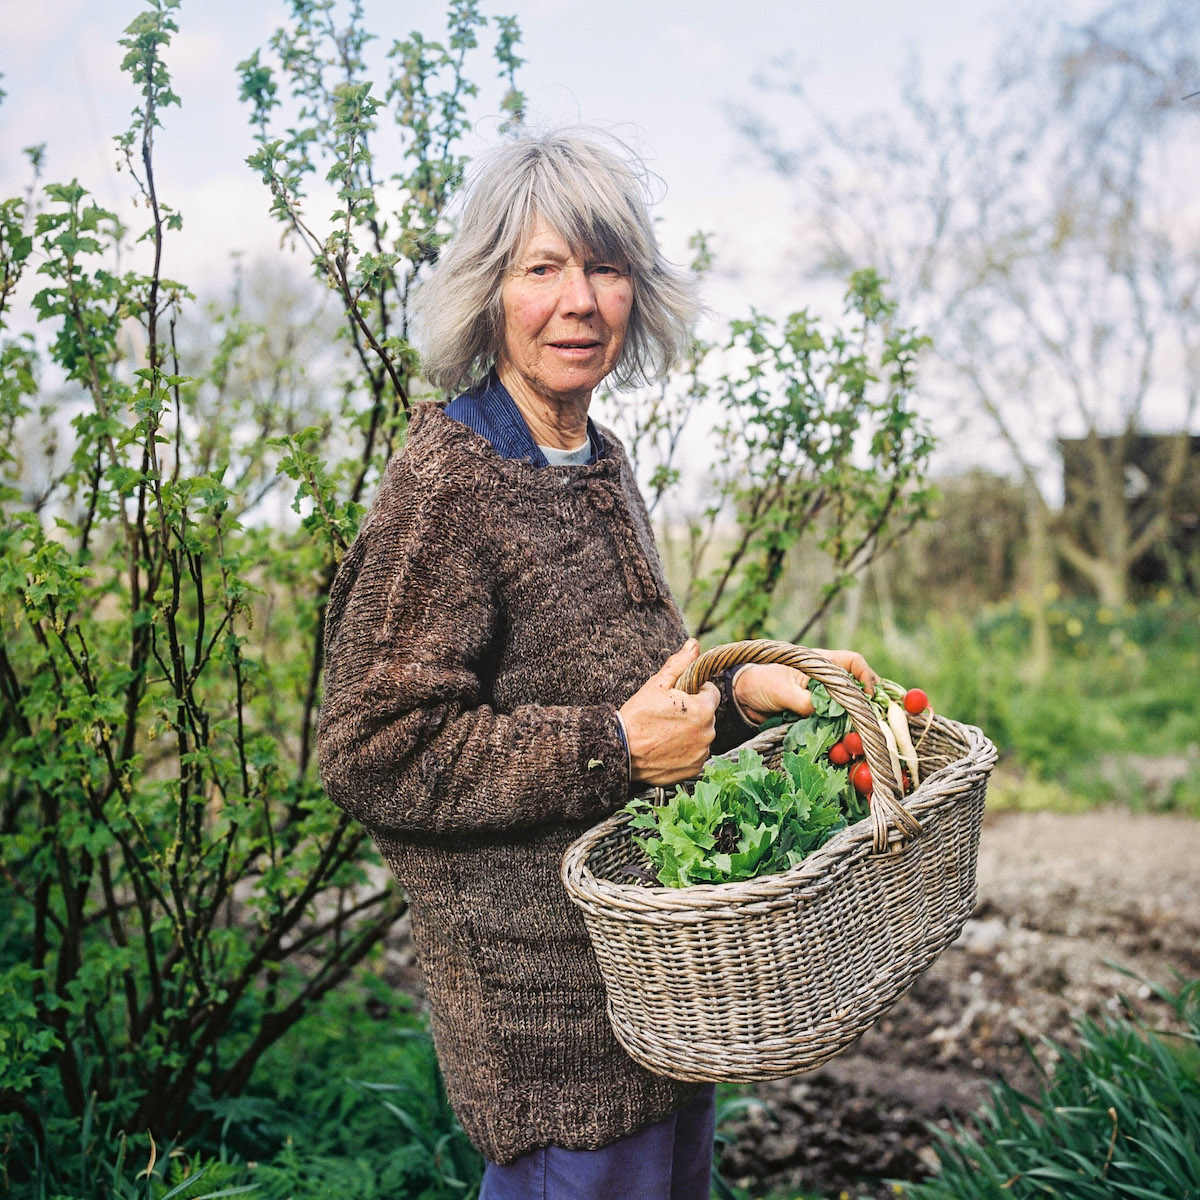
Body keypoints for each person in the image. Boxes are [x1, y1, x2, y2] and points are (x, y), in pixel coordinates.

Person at [316, 127, 879, 1200]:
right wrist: (610, 748)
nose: (579, 300)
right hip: (552, 1037)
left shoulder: (596, 461)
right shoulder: (449, 484)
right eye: (542, 268)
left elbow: (632, 697)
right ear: (489, 294)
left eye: (605, 267)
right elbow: (373, 750)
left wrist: (742, 696)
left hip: (666, 992)